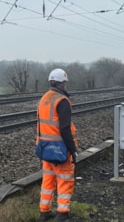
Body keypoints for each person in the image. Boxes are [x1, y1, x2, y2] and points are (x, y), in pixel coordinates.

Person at [37, 68, 78, 222]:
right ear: (62, 84)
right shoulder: (62, 101)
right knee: (65, 180)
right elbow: (65, 128)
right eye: (65, 83)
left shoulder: (44, 98)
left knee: (48, 180)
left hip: (45, 148)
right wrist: (72, 150)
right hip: (61, 149)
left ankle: (44, 212)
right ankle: (62, 214)